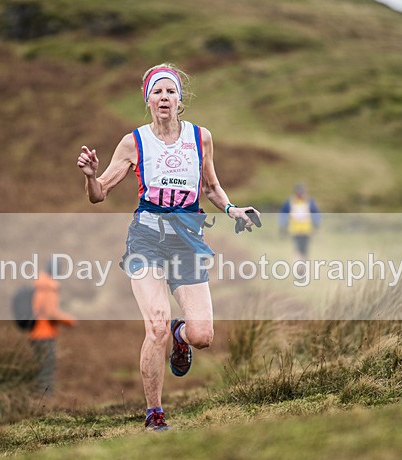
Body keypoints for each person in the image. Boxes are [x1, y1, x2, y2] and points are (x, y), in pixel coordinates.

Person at [76, 63, 259, 431]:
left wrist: (232, 209)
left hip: (188, 241)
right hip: (146, 239)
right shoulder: (134, 142)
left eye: (170, 91)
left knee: (202, 336)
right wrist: (91, 177)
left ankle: (181, 335)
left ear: (180, 99)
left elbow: (210, 187)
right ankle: (154, 415)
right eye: (157, 92)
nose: (164, 97)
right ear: (148, 99)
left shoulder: (200, 137)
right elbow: (99, 196)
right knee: (155, 325)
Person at [28, 260, 76, 396]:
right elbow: (50, 313)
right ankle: (44, 400)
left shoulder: (39, 285)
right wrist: (69, 321)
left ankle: (37, 397)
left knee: (39, 367)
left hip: (35, 333)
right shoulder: (48, 287)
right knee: (46, 369)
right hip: (44, 335)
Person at [279, 183, 321, 261]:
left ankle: (304, 265)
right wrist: (283, 225)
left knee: (305, 249)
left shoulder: (309, 201)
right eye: (298, 192)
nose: (300, 194)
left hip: (306, 229)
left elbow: (315, 213)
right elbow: (283, 213)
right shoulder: (291, 201)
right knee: (297, 248)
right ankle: (298, 266)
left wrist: (316, 224)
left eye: (301, 192)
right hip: (295, 229)